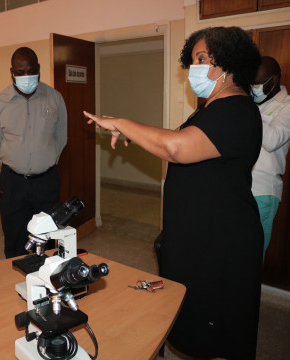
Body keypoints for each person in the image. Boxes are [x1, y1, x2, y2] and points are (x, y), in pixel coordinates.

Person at [84, 27, 263, 359]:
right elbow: (174, 139)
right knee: (187, 310)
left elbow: (176, 148)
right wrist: (131, 131)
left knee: (219, 326)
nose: (193, 67)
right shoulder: (212, 110)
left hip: (220, 241)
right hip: (199, 234)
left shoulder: (236, 111)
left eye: (201, 58)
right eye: (193, 59)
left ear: (226, 62)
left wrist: (122, 123)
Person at [0, 47, 67, 259]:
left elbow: (61, 138)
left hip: (46, 182)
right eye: (20, 72)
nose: (26, 76)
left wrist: (44, 162)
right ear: (12, 71)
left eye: (31, 71)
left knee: (49, 238)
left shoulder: (55, 98)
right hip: (13, 183)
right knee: (15, 238)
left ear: (39, 69)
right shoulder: (0, 103)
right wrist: (18, 163)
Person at [250, 56, 290, 261]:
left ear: (273, 81)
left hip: (263, 191)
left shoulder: (287, 106)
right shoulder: (254, 105)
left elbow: (273, 140)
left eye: (257, 83)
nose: (253, 88)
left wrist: (247, 111)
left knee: (254, 254)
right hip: (240, 186)